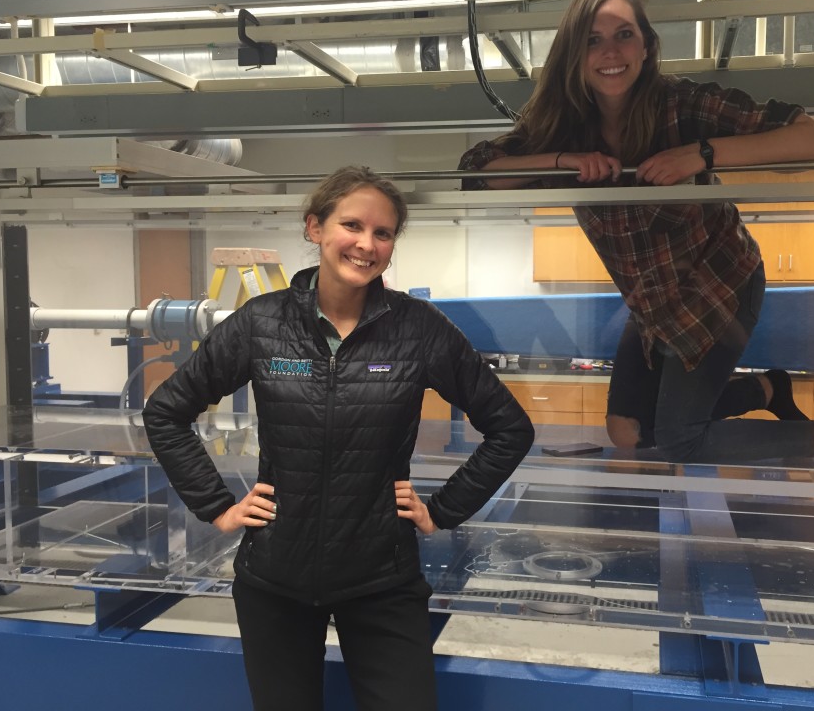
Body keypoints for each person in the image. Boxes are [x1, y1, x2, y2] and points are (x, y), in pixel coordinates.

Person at [142, 165, 534, 711]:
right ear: (315, 229)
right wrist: (217, 507)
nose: (366, 244)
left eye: (383, 233)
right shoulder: (261, 324)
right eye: (351, 225)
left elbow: (510, 428)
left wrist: (443, 510)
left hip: (382, 578)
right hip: (274, 580)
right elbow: (165, 411)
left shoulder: (419, 329)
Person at [459, 0, 814, 462]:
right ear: (574, 54)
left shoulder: (681, 105)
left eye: (624, 34)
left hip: (719, 284)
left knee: (678, 439)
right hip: (653, 300)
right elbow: (476, 176)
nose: (610, 51)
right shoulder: (563, 126)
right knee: (627, 430)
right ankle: (765, 391)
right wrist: (562, 160)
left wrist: (702, 153)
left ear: (646, 46)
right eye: (592, 39)